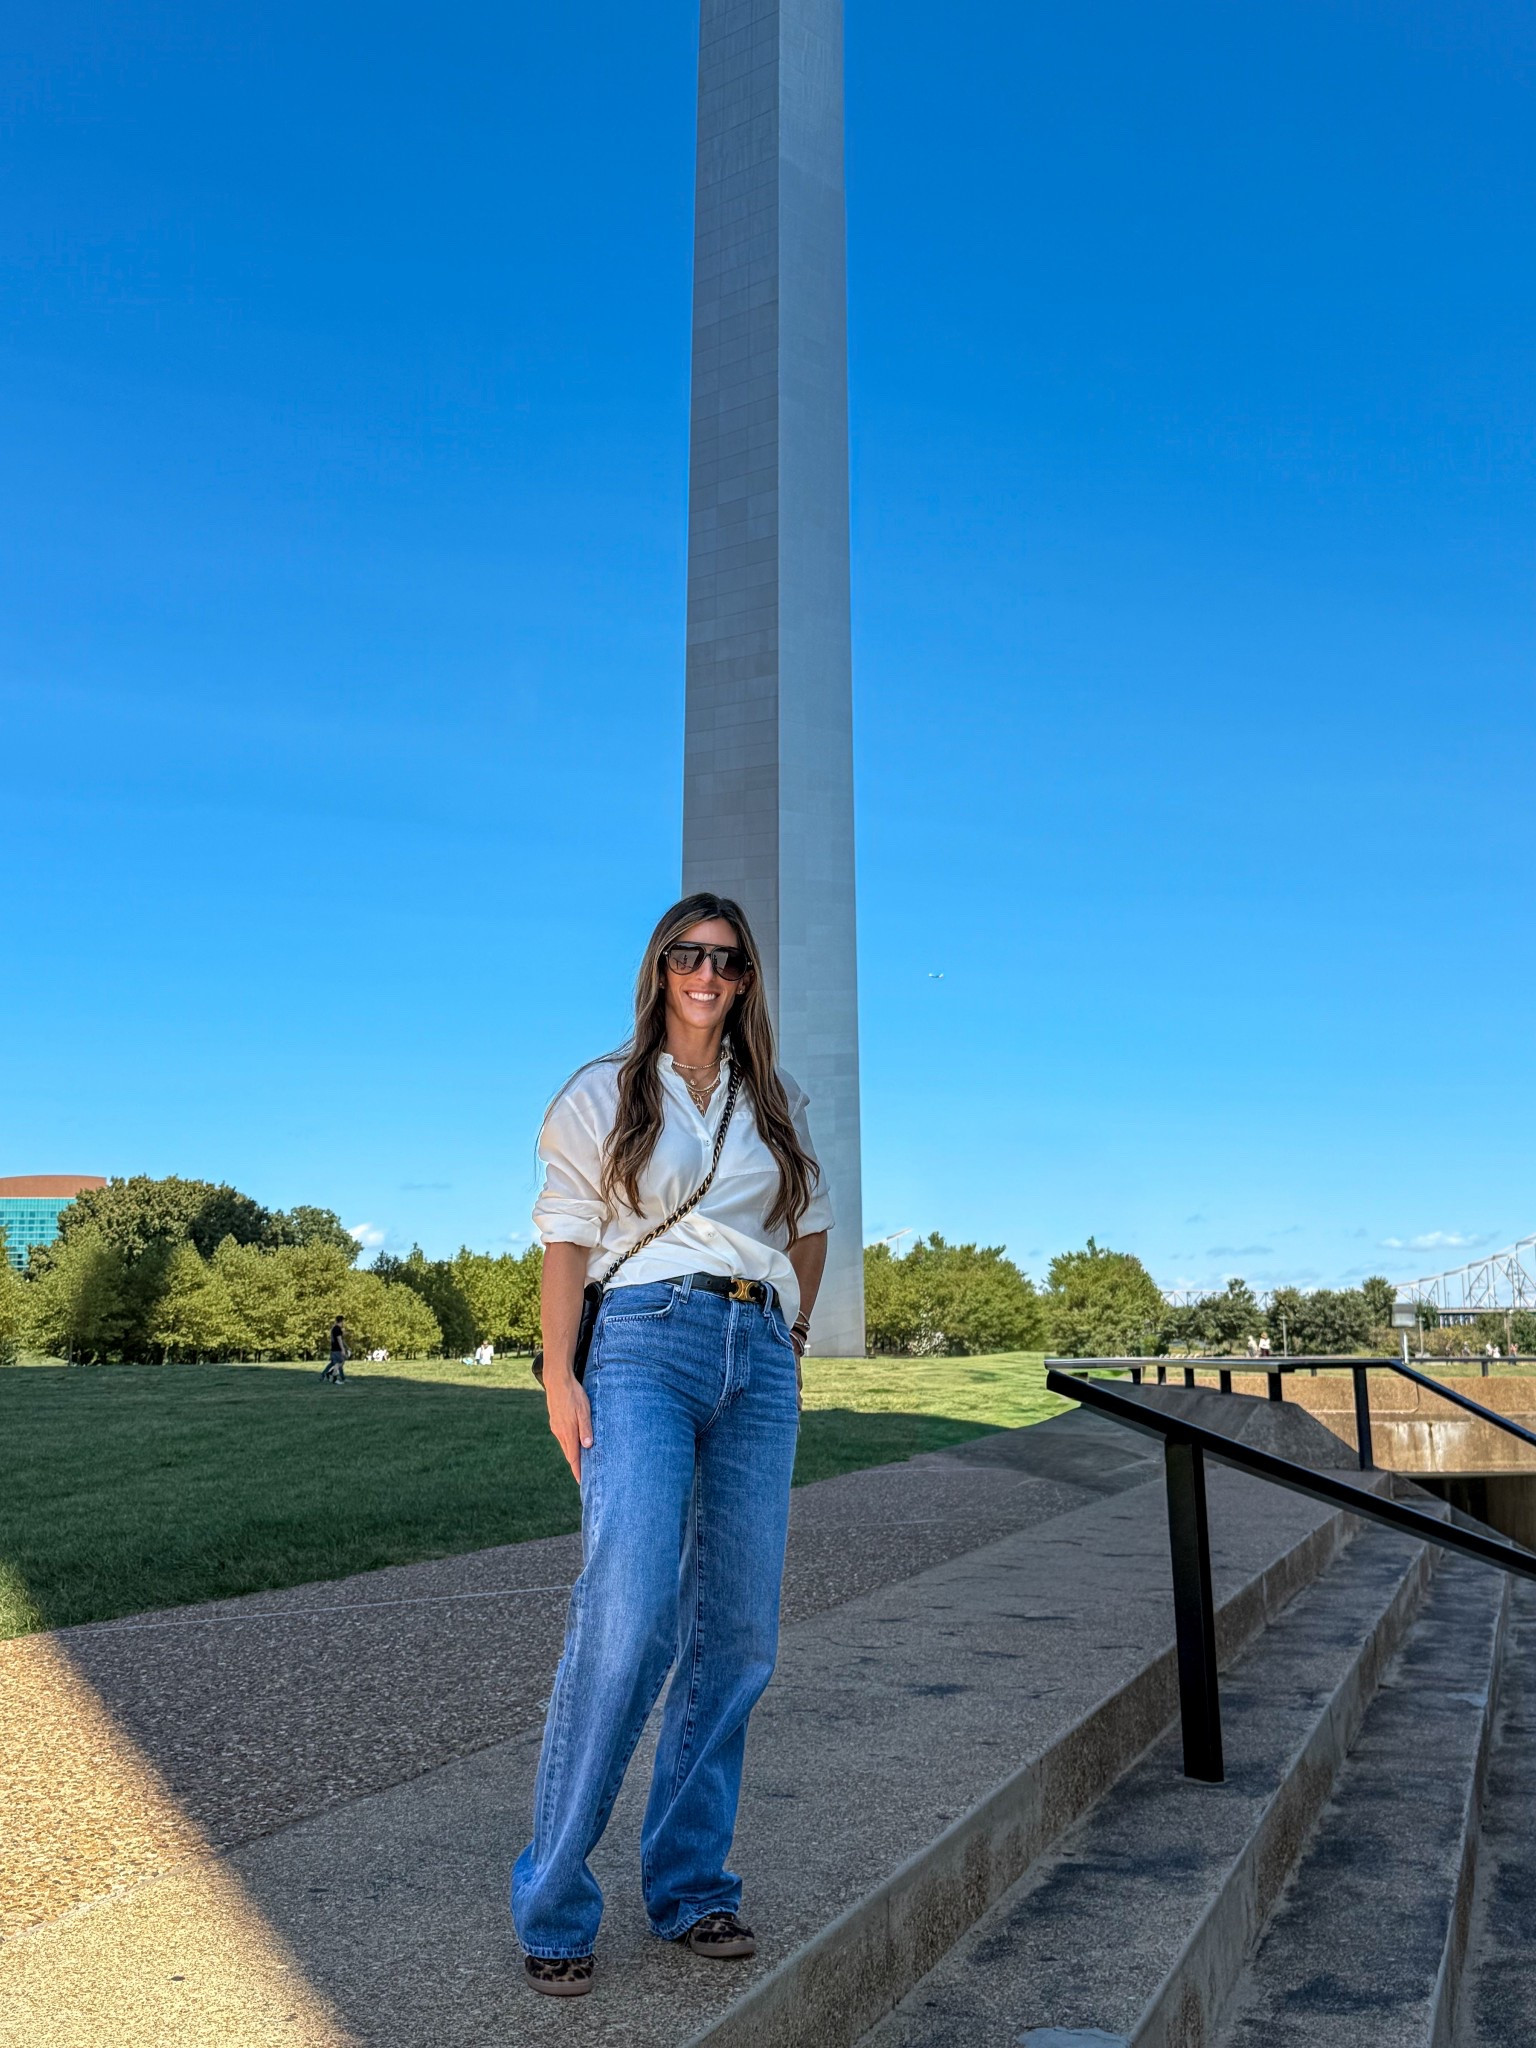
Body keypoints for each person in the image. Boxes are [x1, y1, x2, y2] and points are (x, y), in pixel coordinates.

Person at [512, 893, 832, 1998]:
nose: (707, 974)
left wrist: (790, 1333)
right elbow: (567, 1239)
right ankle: (555, 1899)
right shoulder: (602, 1091)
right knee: (628, 1612)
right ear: (659, 968)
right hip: (644, 1341)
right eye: (688, 955)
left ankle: (692, 1885)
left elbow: (812, 1222)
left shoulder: (775, 1098)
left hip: (759, 1350)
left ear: (747, 981)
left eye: (727, 961)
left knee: (737, 1632)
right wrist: (559, 1374)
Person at [321, 1317, 349, 1383]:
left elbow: (340, 1338)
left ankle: (325, 1374)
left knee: (334, 1363)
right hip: (337, 1349)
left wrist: (347, 1346)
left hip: (334, 1349)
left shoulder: (334, 1329)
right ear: (341, 1321)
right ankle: (332, 1375)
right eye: (343, 1321)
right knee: (340, 1362)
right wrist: (343, 1349)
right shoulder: (337, 1329)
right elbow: (339, 1339)